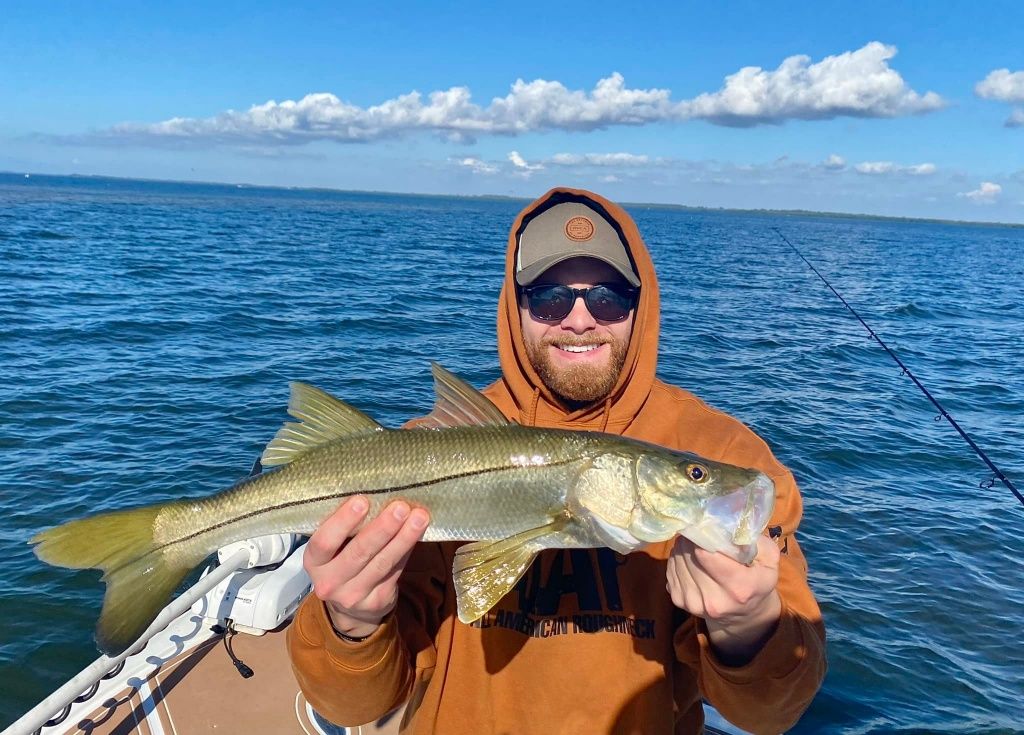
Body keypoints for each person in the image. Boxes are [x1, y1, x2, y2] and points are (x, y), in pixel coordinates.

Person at [287, 188, 826, 734]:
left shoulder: (724, 451)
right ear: (515, 306)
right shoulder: (418, 456)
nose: (579, 320)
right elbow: (353, 708)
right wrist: (351, 622)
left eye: (608, 298)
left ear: (639, 306)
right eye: (549, 298)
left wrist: (747, 627)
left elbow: (770, 715)